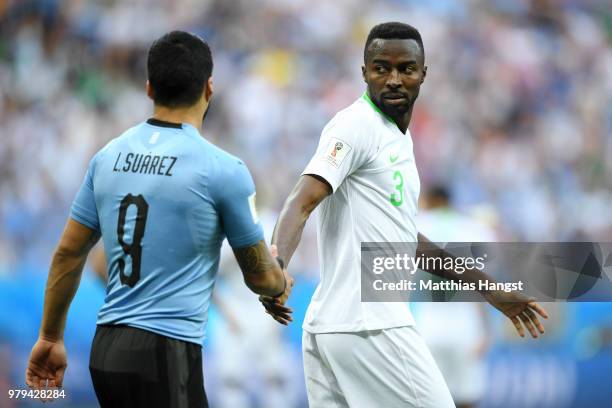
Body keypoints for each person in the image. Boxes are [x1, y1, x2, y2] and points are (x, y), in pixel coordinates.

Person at [261, 22, 548, 408]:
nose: (394, 79)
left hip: (332, 330)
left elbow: (407, 242)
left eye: (406, 69)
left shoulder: (395, 137)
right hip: (372, 326)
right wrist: (276, 263)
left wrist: (490, 289)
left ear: (423, 74)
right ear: (364, 71)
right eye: (381, 68)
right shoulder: (355, 126)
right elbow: (301, 199)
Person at [25, 30, 291, 408]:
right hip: (167, 350)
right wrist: (278, 277)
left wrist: (50, 337)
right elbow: (262, 277)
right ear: (209, 88)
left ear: (149, 88)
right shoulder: (223, 169)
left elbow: (68, 253)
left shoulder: (107, 157)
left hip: (107, 349)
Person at [414, 185, 495, 408]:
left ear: (431, 200)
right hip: (465, 329)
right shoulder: (474, 229)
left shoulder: (417, 225)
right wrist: (487, 331)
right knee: (467, 399)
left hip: (428, 327)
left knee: (428, 400)